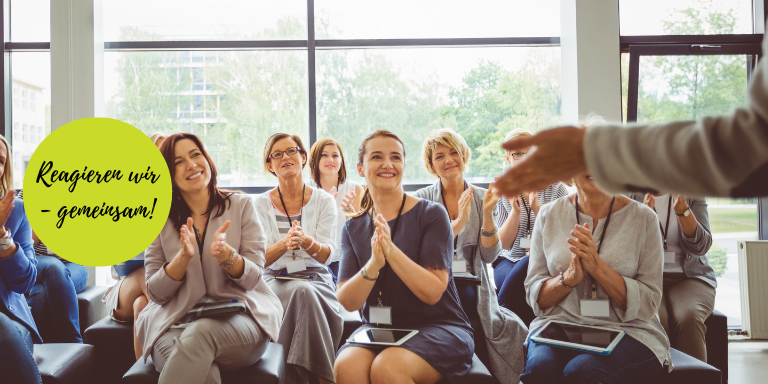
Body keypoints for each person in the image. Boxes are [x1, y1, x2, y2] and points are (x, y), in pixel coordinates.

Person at [135, 133, 283, 384]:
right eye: (178, 161)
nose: (191, 165)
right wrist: (181, 260)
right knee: (205, 375)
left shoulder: (241, 205)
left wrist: (228, 257)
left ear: (207, 160)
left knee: (201, 334)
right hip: (174, 323)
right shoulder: (159, 219)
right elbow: (156, 293)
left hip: (241, 318)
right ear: (168, 175)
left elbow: (253, 278)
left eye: (195, 155)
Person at [334, 130, 474, 384]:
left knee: (387, 368)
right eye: (377, 157)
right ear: (360, 168)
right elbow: (348, 300)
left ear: (403, 166)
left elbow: (432, 292)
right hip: (381, 330)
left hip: (440, 327)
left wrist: (390, 251)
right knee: (346, 366)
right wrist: (373, 265)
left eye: (395, 157)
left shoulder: (432, 214)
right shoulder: (352, 227)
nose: (388, 164)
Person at [521, 172, 670, 384]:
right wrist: (569, 278)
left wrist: (597, 267)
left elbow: (648, 304)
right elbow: (536, 298)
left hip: (629, 330)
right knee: (540, 369)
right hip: (560, 323)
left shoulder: (644, 219)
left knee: (580, 372)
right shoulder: (548, 214)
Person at [412, 128, 527, 383]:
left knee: (471, 300)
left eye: (454, 152)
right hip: (434, 280)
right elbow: (418, 254)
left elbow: (489, 256)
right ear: (431, 165)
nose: (449, 160)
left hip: (473, 283)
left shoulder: (480, 196)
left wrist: (487, 214)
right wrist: (455, 225)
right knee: (458, 298)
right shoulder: (421, 201)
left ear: (464, 156)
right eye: (439, 156)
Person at [254, 133, 342, 384]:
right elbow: (258, 259)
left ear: (303, 157)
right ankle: (325, 378)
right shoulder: (259, 204)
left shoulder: (324, 200)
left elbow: (328, 255)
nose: (285, 158)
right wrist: (284, 244)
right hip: (275, 281)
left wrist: (307, 243)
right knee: (302, 292)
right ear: (270, 165)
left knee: (305, 291)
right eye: (277, 155)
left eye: (291, 151)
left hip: (317, 280)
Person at [493, 128, 568, 326]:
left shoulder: (557, 188)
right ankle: (514, 329)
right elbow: (504, 245)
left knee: (529, 264)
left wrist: (538, 210)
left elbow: (561, 238)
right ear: (509, 159)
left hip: (545, 260)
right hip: (508, 260)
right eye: (517, 153)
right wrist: (514, 212)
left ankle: (500, 325)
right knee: (522, 271)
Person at [102, 131, 166, 359]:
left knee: (143, 305)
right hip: (126, 287)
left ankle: (142, 374)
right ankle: (185, 313)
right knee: (143, 273)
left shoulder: (178, 201)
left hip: (156, 287)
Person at [630, 192, 716, 363]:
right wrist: (644, 219)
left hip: (690, 276)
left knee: (688, 317)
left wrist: (683, 211)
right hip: (647, 277)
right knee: (656, 319)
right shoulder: (631, 194)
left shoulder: (691, 190)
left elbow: (702, 247)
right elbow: (626, 250)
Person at [0, 135, 42, 384]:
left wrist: (2, 236)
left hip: (10, 323)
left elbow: (24, 283)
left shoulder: (17, 211)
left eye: (0, 160)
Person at [307, 138, 364, 282]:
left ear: (341, 160)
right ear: (315, 160)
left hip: (343, 257)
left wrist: (350, 212)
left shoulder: (355, 189)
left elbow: (360, 236)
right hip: (314, 258)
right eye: (324, 155)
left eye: (335, 155)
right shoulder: (306, 190)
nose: (330, 159)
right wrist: (324, 209)